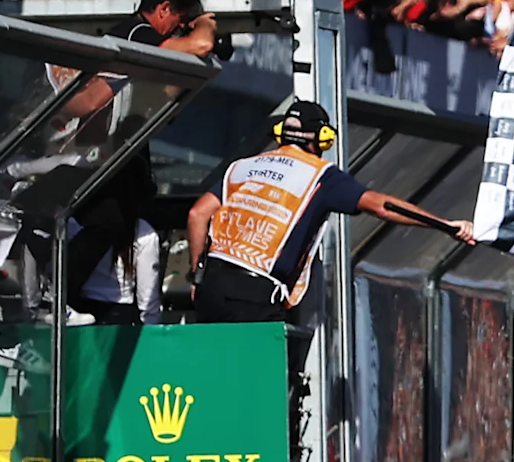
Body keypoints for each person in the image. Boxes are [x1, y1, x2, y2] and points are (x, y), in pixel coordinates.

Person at [184, 98, 470, 326]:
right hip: (255, 294)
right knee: (263, 385)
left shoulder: (243, 166)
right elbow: (382, 205)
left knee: (215, 373)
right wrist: (443, 224)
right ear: (321, 138)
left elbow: (197, 214)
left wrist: (198, 276)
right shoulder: (320, 175)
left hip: (211, 286)